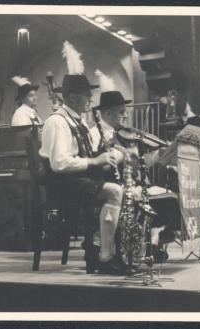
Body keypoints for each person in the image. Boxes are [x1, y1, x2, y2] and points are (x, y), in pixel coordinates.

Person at [39, 41, 126, 274]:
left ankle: (103, 248)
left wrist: (107, 156)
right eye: (87, 96)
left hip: (78, 179)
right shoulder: (57, 122)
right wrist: (95, 162)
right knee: (113, 191)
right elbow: (59, 163)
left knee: (120, 187)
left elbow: (86, 155)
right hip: (63, 184)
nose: (90, 100)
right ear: (73, 97)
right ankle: (105, 258)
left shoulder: (79, 121)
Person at [89, 90, 169, 262]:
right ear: (107, 113)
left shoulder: (124, 135)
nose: (125, 116)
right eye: (121, 112)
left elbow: (138, 164)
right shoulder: (95, 134)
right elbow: (98, 166)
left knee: (165, 196)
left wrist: (158, 154)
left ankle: (150, 243)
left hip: (128, 181)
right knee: (141, 196)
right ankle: (135, 247)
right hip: (107, 183)